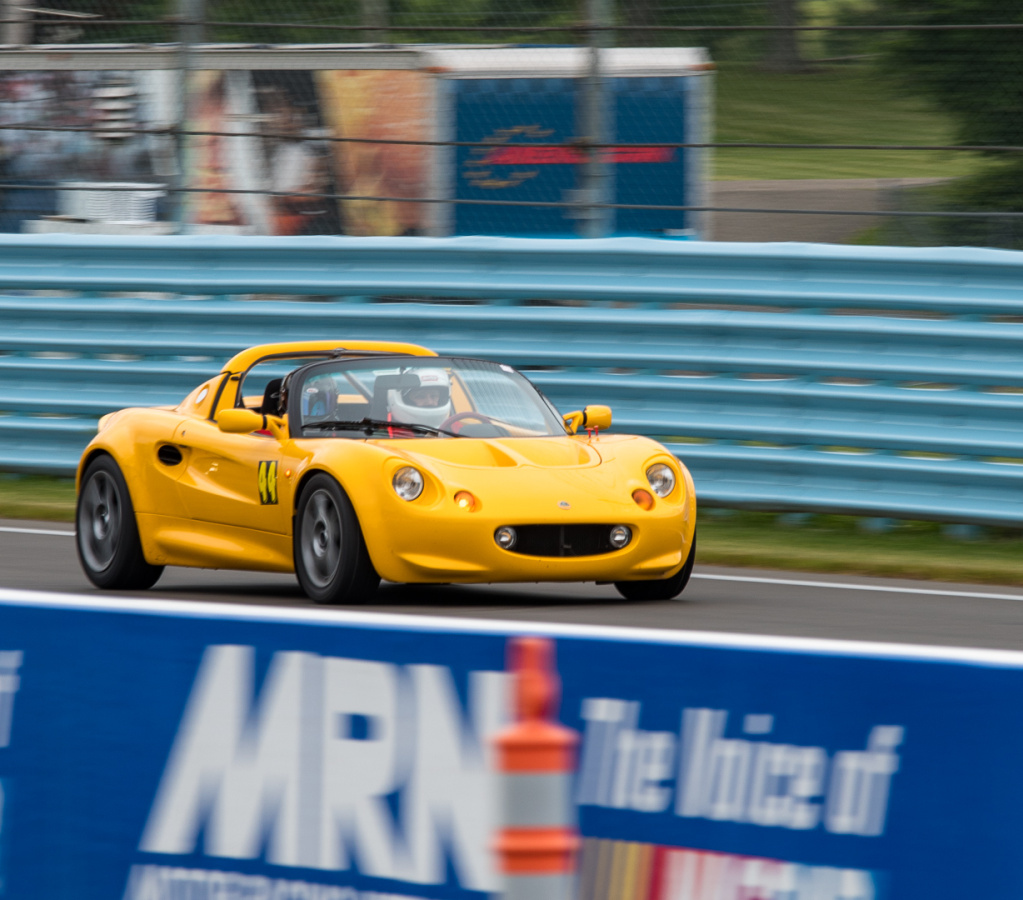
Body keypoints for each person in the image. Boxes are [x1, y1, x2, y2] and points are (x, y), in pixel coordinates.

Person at [387, 369, 452, 429]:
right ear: (406, 400)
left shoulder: (455, 427)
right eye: (420, 397)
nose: (429, 402)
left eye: (434, 396)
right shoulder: (383, 431)